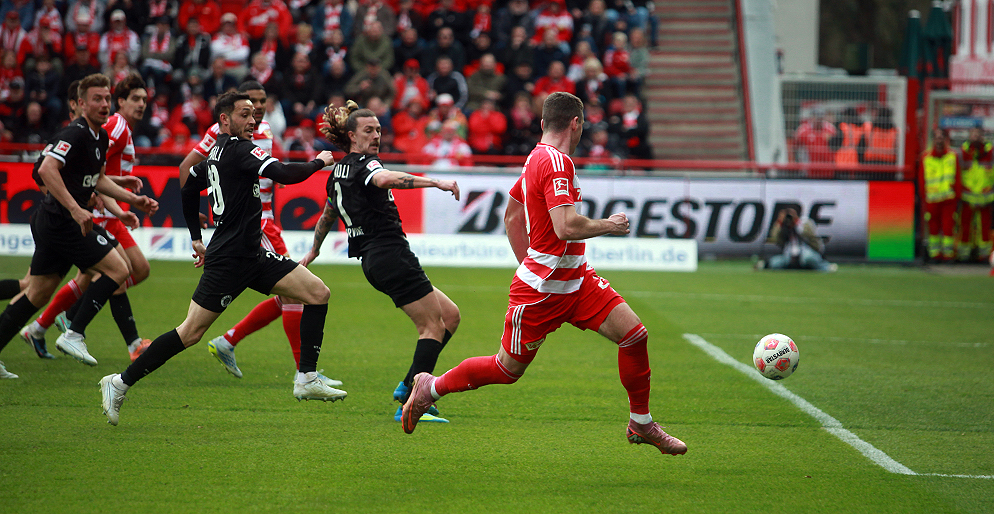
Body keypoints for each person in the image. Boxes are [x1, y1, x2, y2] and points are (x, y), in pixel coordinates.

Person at [400, 92, 688, 457]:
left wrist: (532, 263)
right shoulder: (556, 162)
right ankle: (430, 387)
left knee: (634, 335)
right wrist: (610, 225)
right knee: (506, 370)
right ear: (576, 123)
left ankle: (641, 423)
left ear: (542, 123)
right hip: (542, 292)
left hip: (577, 281)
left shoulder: (535, 157)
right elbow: (565, 226)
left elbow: (511, 217)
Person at [98, 91, 342, 426]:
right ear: (224, 120)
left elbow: (187, 188)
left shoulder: (216, 153)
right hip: (229, 260)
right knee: (189, 333)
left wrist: (196, 238)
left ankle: (307, 377)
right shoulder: (240, 149)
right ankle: (119, 382)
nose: (252, 120)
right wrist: (320, 162)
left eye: (254, 114)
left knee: (317, 293)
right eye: (244, 114)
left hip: (252, 256)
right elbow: (285, 174)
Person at [176, 81, 342, 388]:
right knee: (295, 292)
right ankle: (304, 372)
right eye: (250, 104)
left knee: (293, 289)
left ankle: (230, 341)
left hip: (266, 218)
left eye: (262, 101)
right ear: (230, 114)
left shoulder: (263, 131)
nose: (258, 108)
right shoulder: (223, 133)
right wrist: (199, 210)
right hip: (251, 224)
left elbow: (267, 176)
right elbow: (190, 166)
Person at [308, 99, 460, 424]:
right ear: (352, 136)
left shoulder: (336, 174)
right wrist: (435, 181)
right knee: (432, 326)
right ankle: (413, 404)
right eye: (368, 130)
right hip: (390, 254)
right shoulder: (368, 165)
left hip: (374, 261)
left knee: (449, 315)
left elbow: (329, 214)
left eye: (378, 130)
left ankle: (407, 386)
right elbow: (384, 178)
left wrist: (314, 250)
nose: (376, 136)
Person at [0, 73, 158, 378]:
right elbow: (45, 168)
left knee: (36, 293)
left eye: (106, 99)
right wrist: (76, 208)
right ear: (81, 104)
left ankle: (46, 330)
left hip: (58, 222)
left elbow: (97, 179)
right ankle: (73, 332)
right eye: (97, 99)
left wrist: (131, 201)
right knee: (119, 269)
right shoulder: (76, 133)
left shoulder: (99, 136)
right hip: (63, 222)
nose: (104, 104)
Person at [918, 128, 961, 262]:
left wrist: (957, 195)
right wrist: (923, 196)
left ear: (945, 139)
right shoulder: (926, 157)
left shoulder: (952, 156)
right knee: (933, 228)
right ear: (933, 139)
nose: (939, 140)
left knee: (948, 227)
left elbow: (958, 176)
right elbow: (921, 179)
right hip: (932, 199)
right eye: (937, 137)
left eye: (941, 137)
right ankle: (935, 254)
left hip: (949, 199)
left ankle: (948, 255)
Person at [754, 208, 837, 272]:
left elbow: (810, 236)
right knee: (776, 263)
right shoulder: (783, 227)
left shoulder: (804, 222)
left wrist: (796, 222)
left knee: (808, 258)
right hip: (789, 253)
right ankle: (764, 265)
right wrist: (780, 222)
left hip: (804, 250)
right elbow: (775, 239)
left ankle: (825, 266)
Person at [958, 127, 994, 262]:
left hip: (985, 197)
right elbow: (958, 172)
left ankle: (984, 255)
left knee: (985, 227)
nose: (976, 136)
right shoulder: (963, 152)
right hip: (967, 196)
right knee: (965, 226)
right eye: (973, 133)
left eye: (978, 134)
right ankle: (964, 255)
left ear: (982, 136)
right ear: (969, 135)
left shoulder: (990, 152)